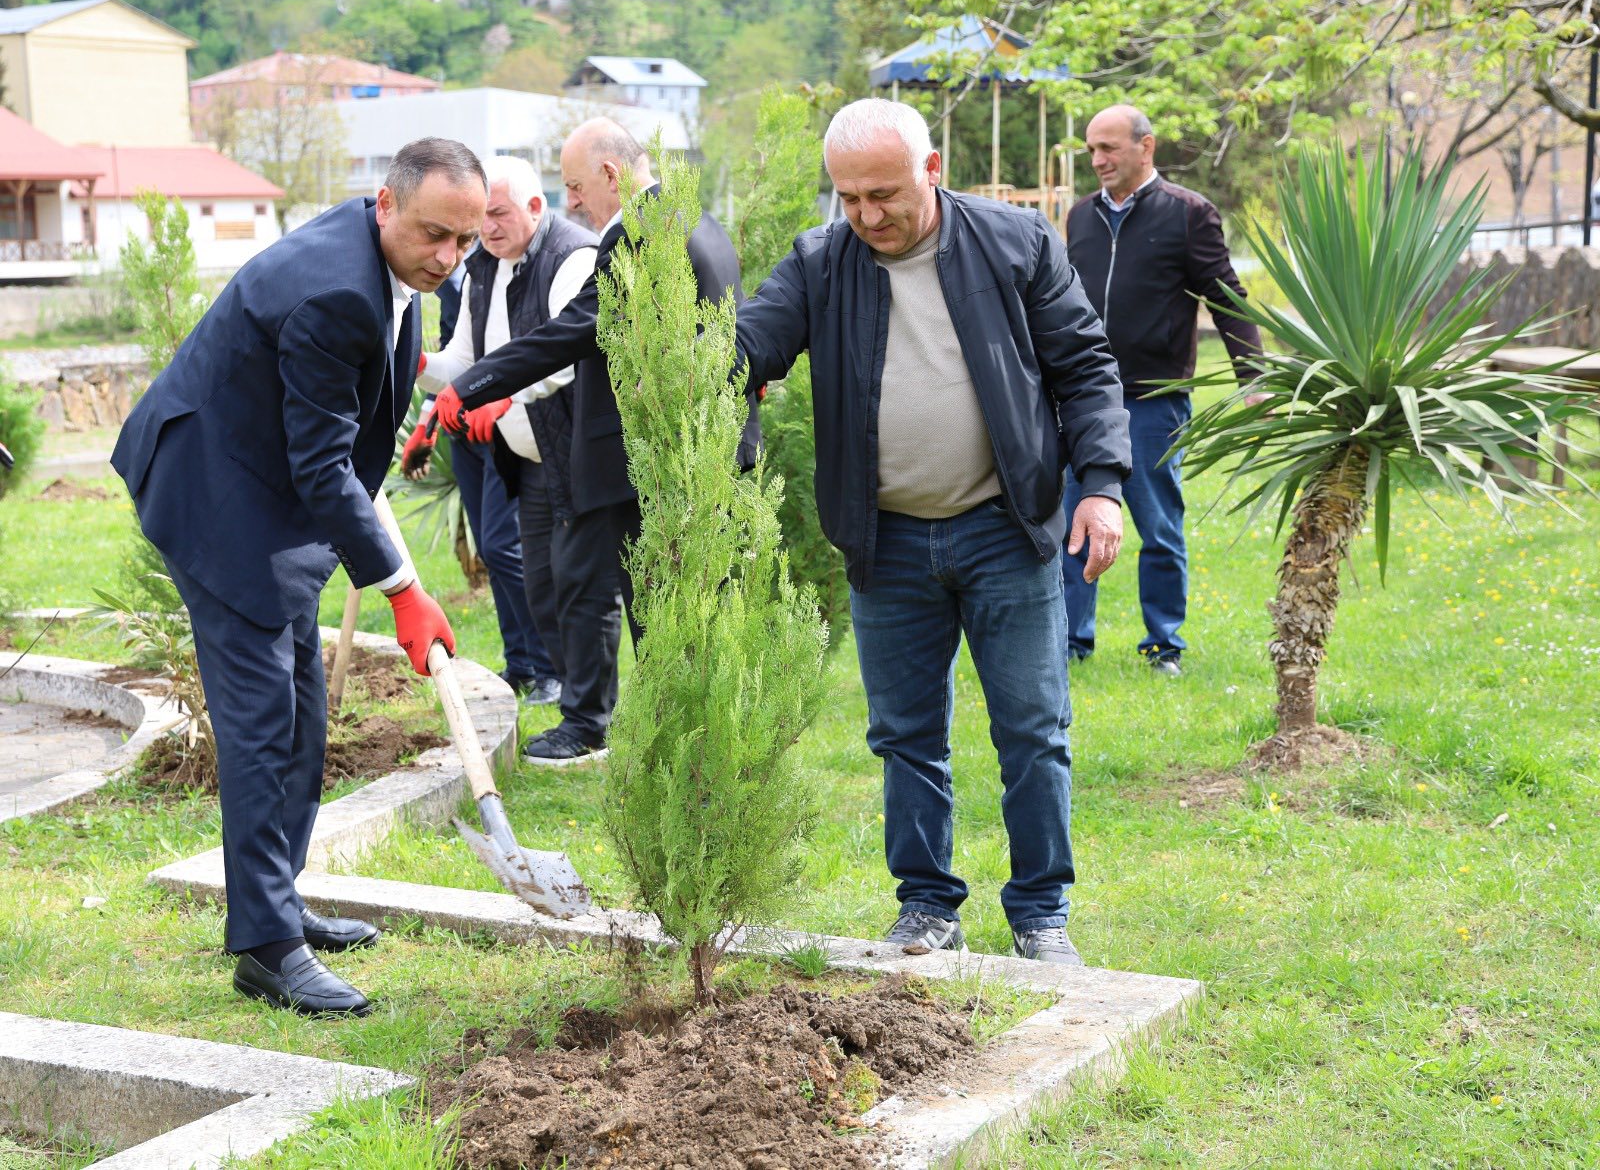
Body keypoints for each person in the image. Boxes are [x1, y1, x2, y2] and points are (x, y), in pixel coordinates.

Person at [733, 98, 1131, 965]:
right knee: (905, 735)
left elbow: (1086, 369)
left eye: (884, 193)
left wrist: (1101, 487)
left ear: (933, 168)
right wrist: (688, 350)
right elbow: (751, 343)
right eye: (849, 198)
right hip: (887, 544)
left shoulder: (1014, 244)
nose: (868, 216)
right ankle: (926, 906)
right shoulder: (819, 263)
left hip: (1004, 529)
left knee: (1033, 728)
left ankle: (1040, 912)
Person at [111, 138, 485, 1017]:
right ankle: (267, 950)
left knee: (304, 714)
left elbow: (345, 445)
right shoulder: (334, 292)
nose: (449, 258)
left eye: (465, 241)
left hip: (264, 488)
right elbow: (324, 470)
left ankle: (279, 901)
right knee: (262, 723)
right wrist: (403, 588)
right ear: (385, 205)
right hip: (213, 494)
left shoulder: (398, 265)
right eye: (436, 235)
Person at [432, 118, 757, 763]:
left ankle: (644, 739)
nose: (572, 202)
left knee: (644, 603)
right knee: (672, 605)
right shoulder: (698, 219)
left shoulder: (641, 234)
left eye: (576, 186)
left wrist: (476, 383)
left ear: (611, 175)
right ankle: (690, 741)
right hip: (700, 449)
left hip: (657, 458)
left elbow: (578, 325)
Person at [1063, 104, 1264, 676]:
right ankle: (1072, 643)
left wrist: (1254, 378)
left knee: (1158, 527)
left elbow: (1226, 297)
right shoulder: (1080, 217)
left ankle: (1163, 645)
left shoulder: (1188, 214)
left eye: (1110, 148)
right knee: (1075, 520)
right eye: (1092, 150)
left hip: (1154, 400)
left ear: (1145, 147)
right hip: (1082, 399)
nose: (1098, 160)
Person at [404, 156, 599, 726]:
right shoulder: (485, 269)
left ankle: (580, 703)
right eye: (478, 220)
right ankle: (549, 676)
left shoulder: (574, 257)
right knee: (523, 565)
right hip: (516, 451)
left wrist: (503, 396)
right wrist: (412, 362)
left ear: (536, 208)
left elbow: (566, 352)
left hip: (570, 446)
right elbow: (465, 360)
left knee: (577, 580)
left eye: (497, 215)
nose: (485, 230)